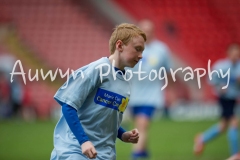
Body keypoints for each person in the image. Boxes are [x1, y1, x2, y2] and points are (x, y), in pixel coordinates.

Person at [50, 23, 147, 160]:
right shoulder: (97, 70)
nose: (141, 55)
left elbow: (107, 119)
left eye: (142, 51)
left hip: (104, 154)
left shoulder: (126, 81)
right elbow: (68, 106)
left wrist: (122, 135)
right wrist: (83, 141)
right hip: (76, 150)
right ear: (119, 45)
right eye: (137, 49)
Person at [128, 19, 172, 160]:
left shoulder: (162, 49)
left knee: (142, 125)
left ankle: (135, 156)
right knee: (139, 127)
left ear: (154, 31)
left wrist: (171, 91)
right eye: (143, 30)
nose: (146, 33)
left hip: (152, 96)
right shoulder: (132, 47)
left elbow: (168, 72)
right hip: (133, 95)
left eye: (149, 30)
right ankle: (144, 154)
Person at [194, 43, 240, 156]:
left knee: (223, 126)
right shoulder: (221, 66)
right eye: (233, 53)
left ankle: (202, 139)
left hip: (234, 98)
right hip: (225, 98)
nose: (235, 56)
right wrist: (220, 88)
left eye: (237, 54)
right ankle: (235, 154)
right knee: (233, 122)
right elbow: (211, 80)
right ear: (228, 54)